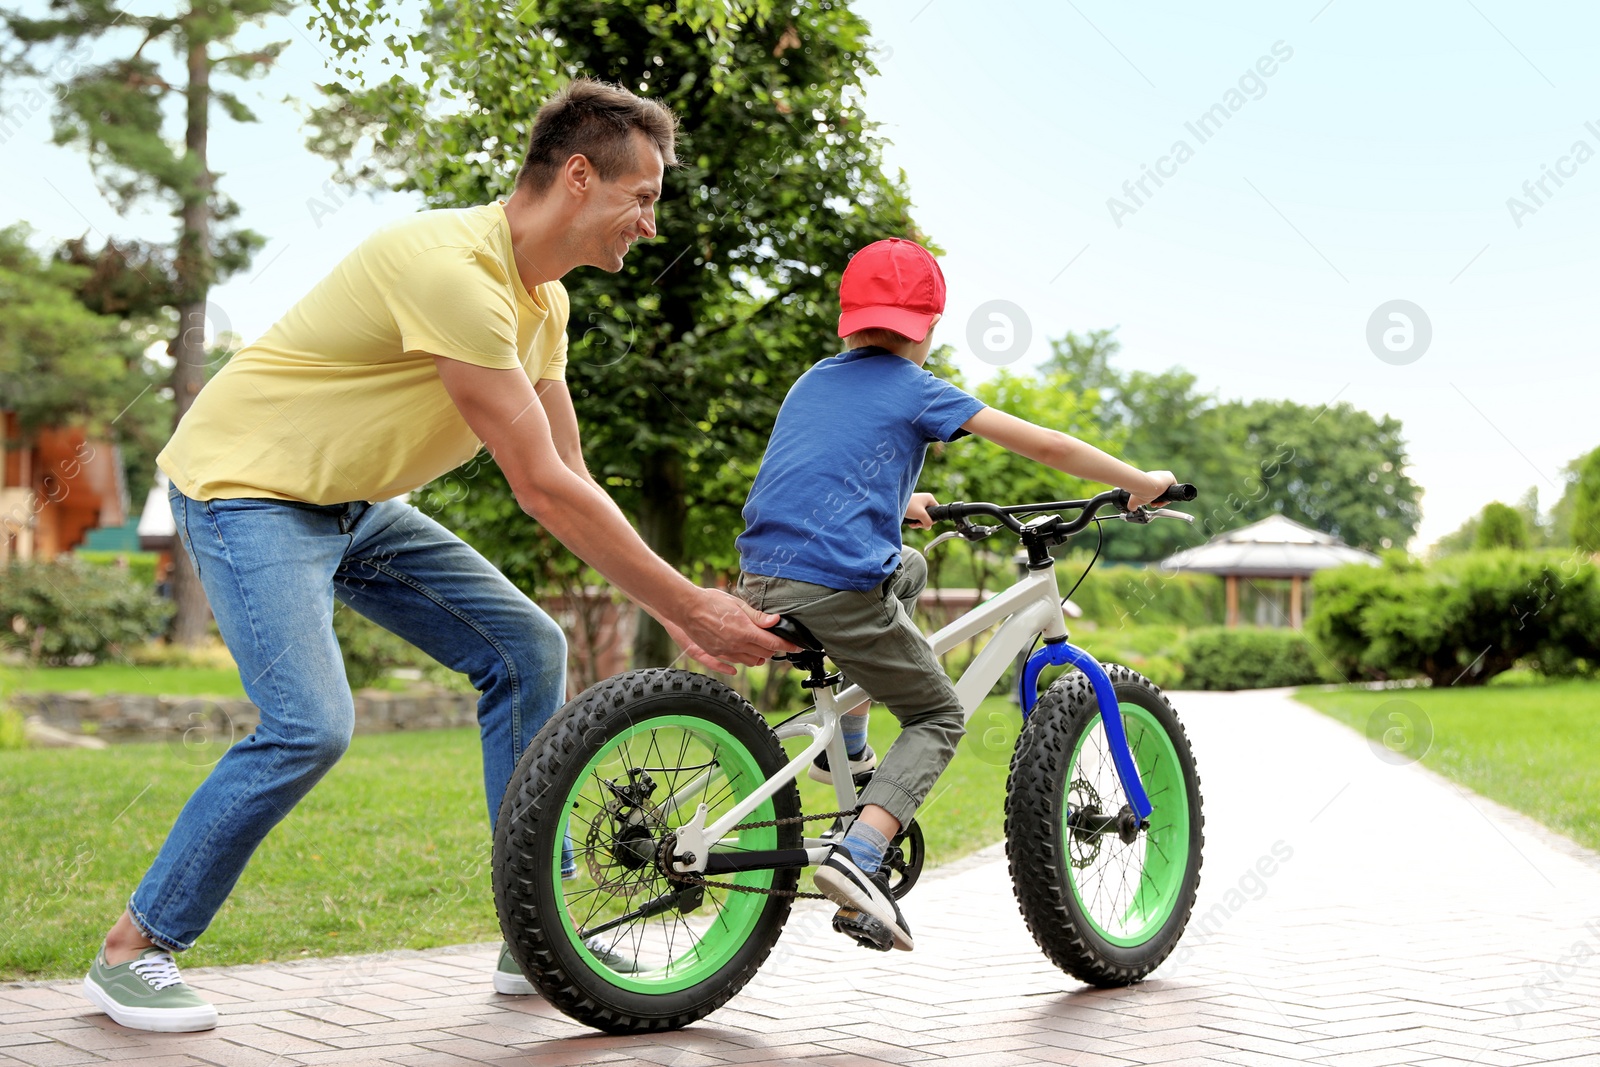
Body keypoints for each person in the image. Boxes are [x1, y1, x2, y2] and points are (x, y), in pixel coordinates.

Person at [80, 78, 793, 1033]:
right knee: (310, 724)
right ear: (579, 176)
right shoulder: (451, 268)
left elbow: (571, 472)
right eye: (646, 195)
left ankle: (533, 931)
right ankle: (136, 946)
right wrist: (687, 607)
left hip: (354, 503)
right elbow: (536, 485)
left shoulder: (545, 305)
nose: (650, 224)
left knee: (528, 649)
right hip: (244, 490)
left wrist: (670, 600)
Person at [734, 238, 1180, 952]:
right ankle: (862, 854)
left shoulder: (813, 379)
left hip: (764, 574)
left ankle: (843, 747)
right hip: (837, 589)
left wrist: (899, 496)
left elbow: (817, 468)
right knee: (938, 711)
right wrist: (1137, 481)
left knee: (906, 567)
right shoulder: (918, 388)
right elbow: (1047, 446)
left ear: (847, 323)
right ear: (929, 327)